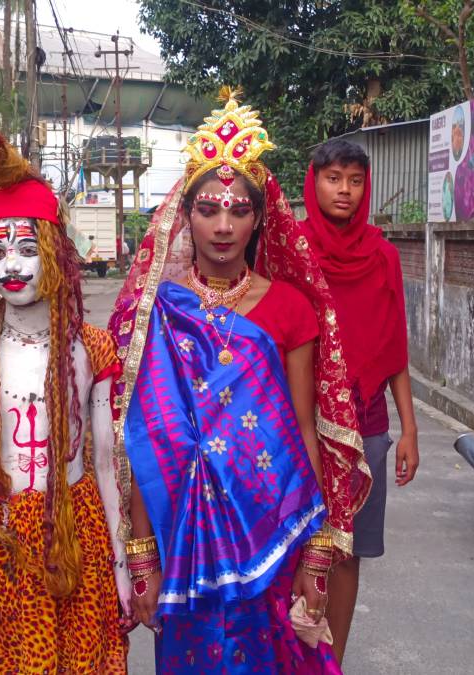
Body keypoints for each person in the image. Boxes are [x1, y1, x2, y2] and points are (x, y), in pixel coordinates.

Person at [109, 89, 364, 673]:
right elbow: (146, 439)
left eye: (239, 211)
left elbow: (303, 429)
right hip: (184, 533)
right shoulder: (157, 311)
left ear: (260, 219)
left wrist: (315, 548)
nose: (223, 226)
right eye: (208, 209)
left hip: (272, 526)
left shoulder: (290, 308)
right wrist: (143, 554)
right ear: (185, 216)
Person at [0, 130, 129, 673]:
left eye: (26, 249)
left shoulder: (93, 348)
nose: (11, 266)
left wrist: (121, 568)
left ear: (55, 255)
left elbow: (106, 465)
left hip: (76, 536)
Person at [284, 139, 419, 660]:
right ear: (313, 180)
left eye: (356, 181)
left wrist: (408, 429)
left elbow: (395, 346)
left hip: (366, 426)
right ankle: (288, 659)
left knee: (348, 551)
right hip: (295, 421)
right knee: (292, 546)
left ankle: (331, 663)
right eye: (334, 178)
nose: (345, 190)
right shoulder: (289, 248)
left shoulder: (383, 256)